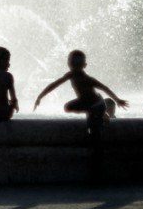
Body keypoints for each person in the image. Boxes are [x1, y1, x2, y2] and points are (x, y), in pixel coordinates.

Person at [33, 50, 128, 179]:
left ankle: (98, 166)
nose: (75, 66)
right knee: (68, 107)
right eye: (72, 63)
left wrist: (117, 100)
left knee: (94, 133)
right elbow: (54, 85)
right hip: (85, 103)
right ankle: (100, 114)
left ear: (84, 65)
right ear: (68, 64)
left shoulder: (88, 79)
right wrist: (40, 96)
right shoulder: (70, 75)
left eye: (78, 64)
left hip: (96, 105)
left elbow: (105, 88)